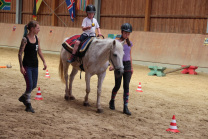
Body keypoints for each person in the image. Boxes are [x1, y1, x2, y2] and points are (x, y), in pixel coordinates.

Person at [18, 20, 47, 113]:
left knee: (34, 85)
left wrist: (44, 61)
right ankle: (28, 104)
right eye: (37, 28)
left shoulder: (37, 39)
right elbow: (20, 53)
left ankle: (24, 96)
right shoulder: (25, 39)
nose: (39, 29)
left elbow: (39, 51)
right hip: (27, 65)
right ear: (32, 28)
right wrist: (21, 67)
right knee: (29, 84)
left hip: (35, 65)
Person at [109, 23, 133, 115]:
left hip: (127, 66)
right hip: (119, 64)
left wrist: (131, 67)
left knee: (126, 86)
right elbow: (113, 55)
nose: (127, 34)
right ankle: (112, 100)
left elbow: (130, 56)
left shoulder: (130, 43)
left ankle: (125, 106)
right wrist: (113, 65)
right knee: (117, 85)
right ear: (122, 32)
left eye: (128, 33)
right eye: (125, 33)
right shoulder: (117, 42)